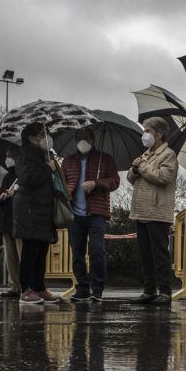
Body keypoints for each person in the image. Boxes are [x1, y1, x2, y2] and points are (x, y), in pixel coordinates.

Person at [62, 127, 120, 304]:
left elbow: (115, 181)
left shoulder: (105, 159)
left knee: (97, 251)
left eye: (86, 137)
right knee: (77, 253)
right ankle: (83, 287)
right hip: (75, 214)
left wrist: (96, 183)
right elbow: (62, 182)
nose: (82, 141)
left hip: (97, 213)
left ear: (93, 139)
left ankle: (97, 289)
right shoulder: (68, 161)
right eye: (79, 138)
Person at [127, 117, 179, 305]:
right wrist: (134, 168)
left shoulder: (169, 155)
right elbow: (131, 178)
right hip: (140, 211)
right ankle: (149, 290)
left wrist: (142, 167)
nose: (145, 134)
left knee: (159, 254)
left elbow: (163, 177)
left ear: (158, 133)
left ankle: (165, 291)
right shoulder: (146, 154)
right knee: (145, 254)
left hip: (157, 212)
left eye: (148, 130)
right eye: (145, 130)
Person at [14, 122, 60, 304]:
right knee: (30, 249)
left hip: (43, 207)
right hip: (30, 208)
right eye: (43, 134)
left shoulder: (44, 155)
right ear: (32, 138)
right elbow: (28, 178)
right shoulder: (25, 154)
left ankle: (39, 287)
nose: (46, 137)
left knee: (41, 249)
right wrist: (48, 168)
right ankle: (26, 289)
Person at [0, 149, 23, 299]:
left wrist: (15, 194)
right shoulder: (8, 177)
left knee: (22, 254)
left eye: (10, 156)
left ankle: (25, 285)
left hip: (19, 222)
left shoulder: (23, 175)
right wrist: (2, 196)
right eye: (6, 157)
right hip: (7, 222)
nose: (7, 160)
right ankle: (14, 286)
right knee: (11, 257)